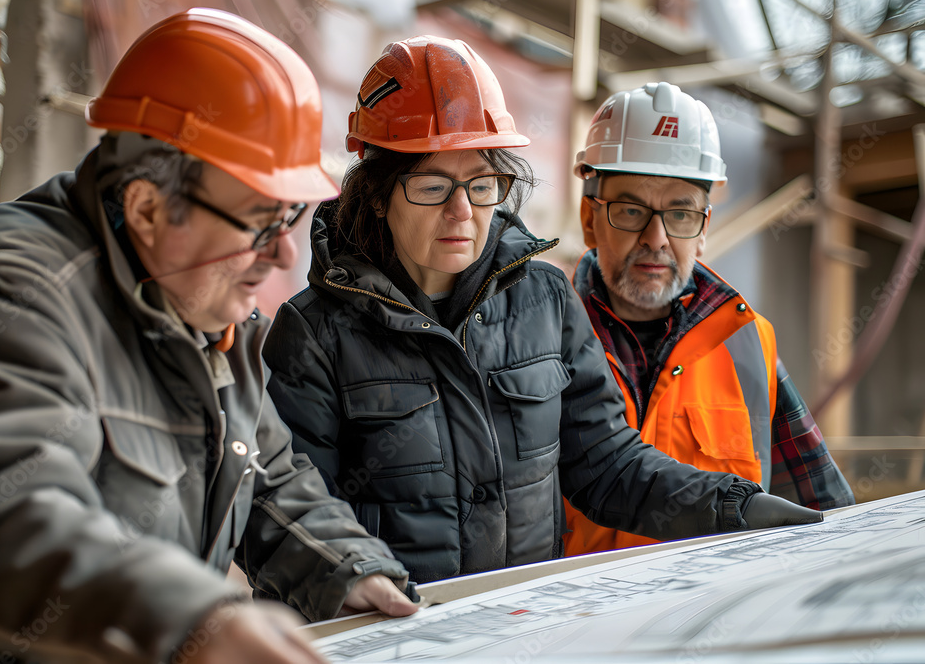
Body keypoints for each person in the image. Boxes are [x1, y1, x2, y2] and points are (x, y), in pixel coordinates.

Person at [0, 9, 417, 664]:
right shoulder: (9, 292)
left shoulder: (209, 308)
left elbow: (269, 480)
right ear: (148, 208)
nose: (282, 254)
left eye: (291, 216)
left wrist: (350, 570)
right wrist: (190, 620)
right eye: (260, 222)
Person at [262, 36, 824, 586]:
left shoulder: (543, 300)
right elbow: (287, 507)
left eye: (482, 184)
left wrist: (730, 506)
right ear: (376, 196)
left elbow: (607, 464)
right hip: (392, 629)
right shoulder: (315, 332)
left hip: (527, 627)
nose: (462, 211)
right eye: (432, 186)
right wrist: (353, 579)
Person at [563, 81, 855, 556]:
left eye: (681, 214)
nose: (657, 237)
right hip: (574, 603)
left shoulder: (748, 342)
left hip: (717, 604)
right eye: (631, 210)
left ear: (703, 229)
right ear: (588, 218)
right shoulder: (540, 340)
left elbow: (824, 508)